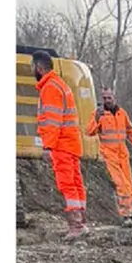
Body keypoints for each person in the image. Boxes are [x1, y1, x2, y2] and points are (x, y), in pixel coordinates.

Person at [34, 58, 89, 234]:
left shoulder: (50, 88)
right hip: (71, 143)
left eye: (32, 67)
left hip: (61, 144)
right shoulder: (61, 85)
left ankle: (76, 226)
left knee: (67, 183)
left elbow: (52, 122)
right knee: (76, 182)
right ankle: (82, 222)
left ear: (39, 67)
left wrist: (47, 146)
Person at [94, 100, 132, 223]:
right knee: (121, 185)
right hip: (109, 155)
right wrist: (96, 118)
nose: (107, 100)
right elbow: (89, 131)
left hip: (122, 155)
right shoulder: (99, 115)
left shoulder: (121, 113)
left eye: (109, 97)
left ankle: (129, 213)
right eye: (105, 98)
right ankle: (125, 215)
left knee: (129, 185)